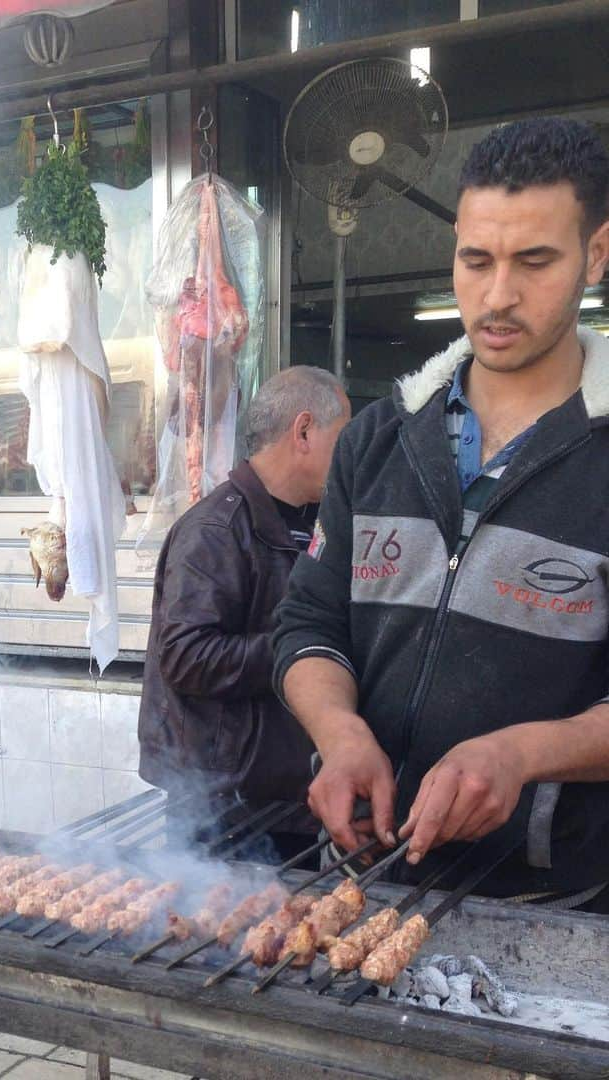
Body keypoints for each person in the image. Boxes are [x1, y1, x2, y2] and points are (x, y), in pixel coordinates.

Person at [273, 117, 609, 905]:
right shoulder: (377, 441)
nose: (498, 296)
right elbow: (309, 623)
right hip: (360, 883)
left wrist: (524, 755)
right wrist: (339, 731)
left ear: (597, 253)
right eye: (475, 260)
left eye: (535, 262)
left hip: (548, 906)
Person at [138, 367, 350, 849]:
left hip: (290, 795)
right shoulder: (215, 530)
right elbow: (186, 657)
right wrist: (305, 653)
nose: (350, 454)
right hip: (225, 803)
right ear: (303, 432)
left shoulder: (322, 524)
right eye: (343, 437)